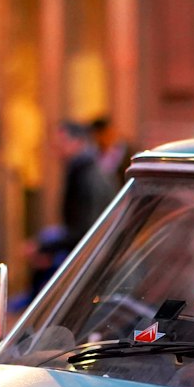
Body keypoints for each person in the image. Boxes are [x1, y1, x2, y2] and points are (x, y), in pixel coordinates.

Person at [25, 120, 115, 301]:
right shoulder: (84, 171)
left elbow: (85, 229)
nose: (56, 150)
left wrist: (45, 248)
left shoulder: (87, 177)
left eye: (61, 143)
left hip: (91, 258)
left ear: (78, 142)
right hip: (89, 251)